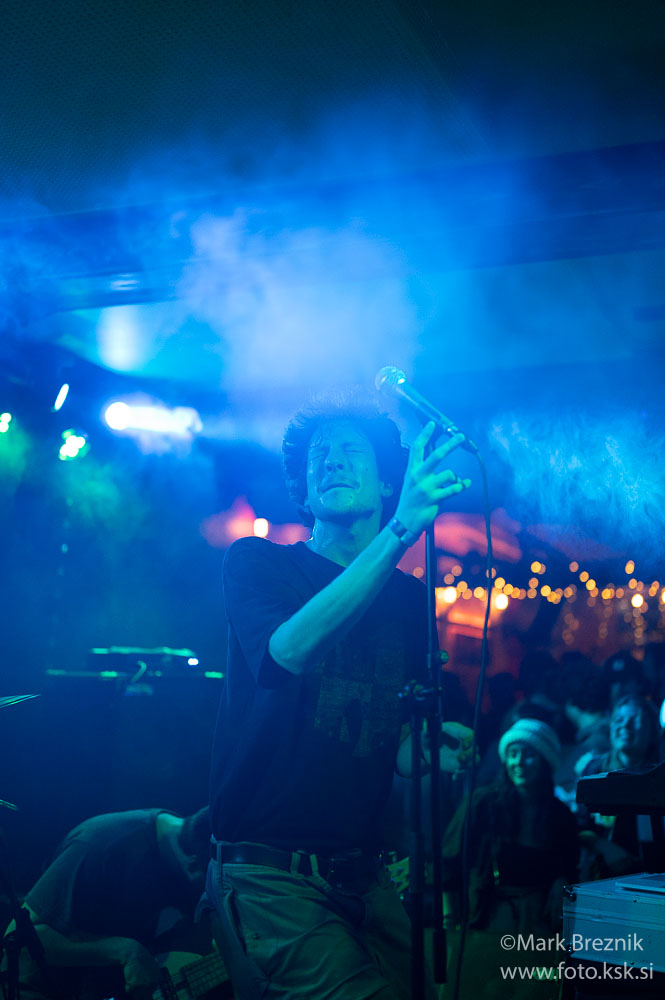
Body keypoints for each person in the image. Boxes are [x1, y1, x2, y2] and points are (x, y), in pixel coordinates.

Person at [207, 394, 474, 1000]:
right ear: (304, 490)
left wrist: (434, 747)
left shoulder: (409, 601)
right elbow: (285, 653)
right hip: (272, 876)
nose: (331, 461)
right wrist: (400, 529)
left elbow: (392, 741)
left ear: (388, 481)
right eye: (318, 456)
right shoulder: (257, 562)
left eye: (351, 451)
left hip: (364, 875)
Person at [3, 807, 217, 1000]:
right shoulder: (99, 847)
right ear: (193, 867)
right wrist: (124, 950)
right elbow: (19, 937)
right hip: (34, 990)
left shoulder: (190, 848)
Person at [441, 718, 579, 999]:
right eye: (513, 754)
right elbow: (449, 860)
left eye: (529, 754)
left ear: (545, 761)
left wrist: (561, 881)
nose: (519, 762)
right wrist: (451, 916)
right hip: (487, 916)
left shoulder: (559, 815)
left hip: (537, 923)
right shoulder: (483, 804)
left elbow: (568, 863)